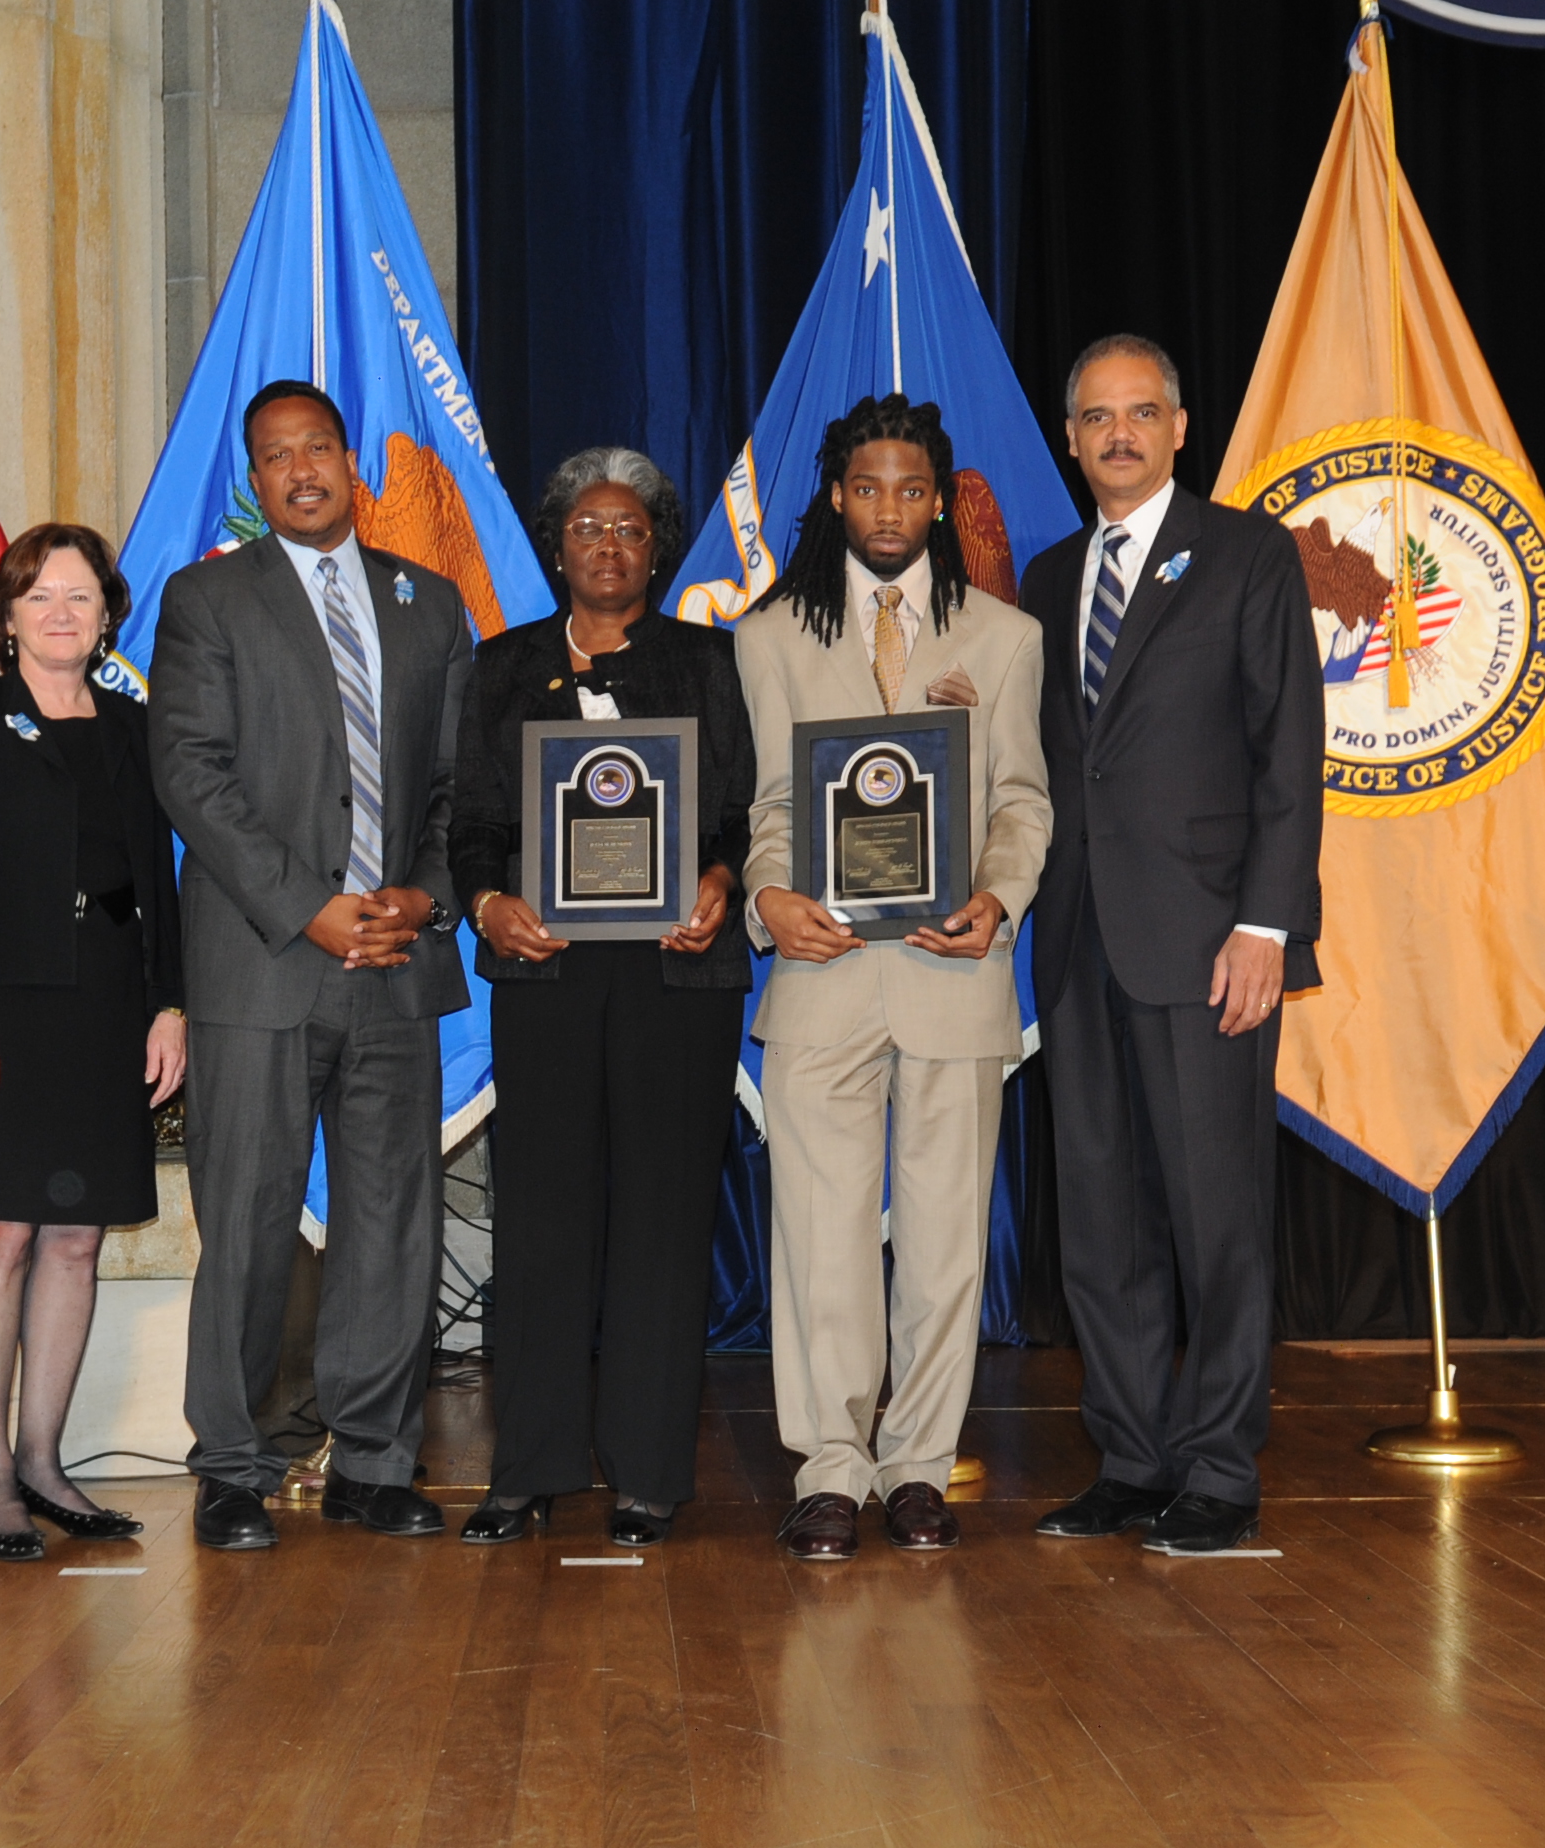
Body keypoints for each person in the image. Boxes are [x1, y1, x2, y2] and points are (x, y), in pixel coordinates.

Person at [148, 380, 474, 1551]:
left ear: (350, 463)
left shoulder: (429, 604)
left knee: (393, 1220)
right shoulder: (205, 600)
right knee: (246, 1218)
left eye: (317, 449)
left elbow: (452, 787)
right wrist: (314, 910)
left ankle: (375, 1460)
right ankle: (232, 1464)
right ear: (257, 476)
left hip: (396, 964)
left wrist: (419, 897)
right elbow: (191, 776)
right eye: (275, 456)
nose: (300, 470)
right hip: (262, 965)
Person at [1021, 334, 1323, 1557]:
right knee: (1103, 1223)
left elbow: (1289, 756)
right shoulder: (1047, 579)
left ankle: (1218, 1468)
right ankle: (1134, 1458)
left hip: (1208, 943)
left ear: (1181, 426)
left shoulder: (1250, 553)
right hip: (1079, 942)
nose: (1120, 435)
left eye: (1142, 413)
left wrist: (1267, 925)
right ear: (1072, 433)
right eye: (1097, 418)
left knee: (1215, 1220)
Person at [737, 394, 1052, 1561]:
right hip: (820, 978)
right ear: (834, 496)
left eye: (910, 489)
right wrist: (771, 899)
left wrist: (1000, 897)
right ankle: (831, 1466)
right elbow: (770, 807)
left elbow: (1022, 799)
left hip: (952, 972)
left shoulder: (1002, 639)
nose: (888, 509)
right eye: (866, 487)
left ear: (942, 499)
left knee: (944, 1237)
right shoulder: (768, 638)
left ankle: (920, 1465)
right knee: (818, 1234)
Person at [449, 447, 755, 1549]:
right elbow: (473, 824)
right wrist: (487, 903)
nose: (609, 546)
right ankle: (525, 1469)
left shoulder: (709, 666)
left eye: (630, 528)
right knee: (540, 1219)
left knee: (663, 1221)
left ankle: (648, 1475)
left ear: (657, 546)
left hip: (679, 971)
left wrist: (721, 882)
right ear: (557, 544)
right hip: (550, 971)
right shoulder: (500, 669)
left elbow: (739, 818)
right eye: (588, 527)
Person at [0, 522, 188, 1563]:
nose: (62, 612)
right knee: (4, 1238)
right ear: (7, 618)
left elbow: (151, 881)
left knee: (76, 1238)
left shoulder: (133, 727)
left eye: (81, 595)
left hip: (106, 1012)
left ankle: (47, 1463)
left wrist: (169, 1004)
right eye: (40, 596)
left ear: (108, 614)